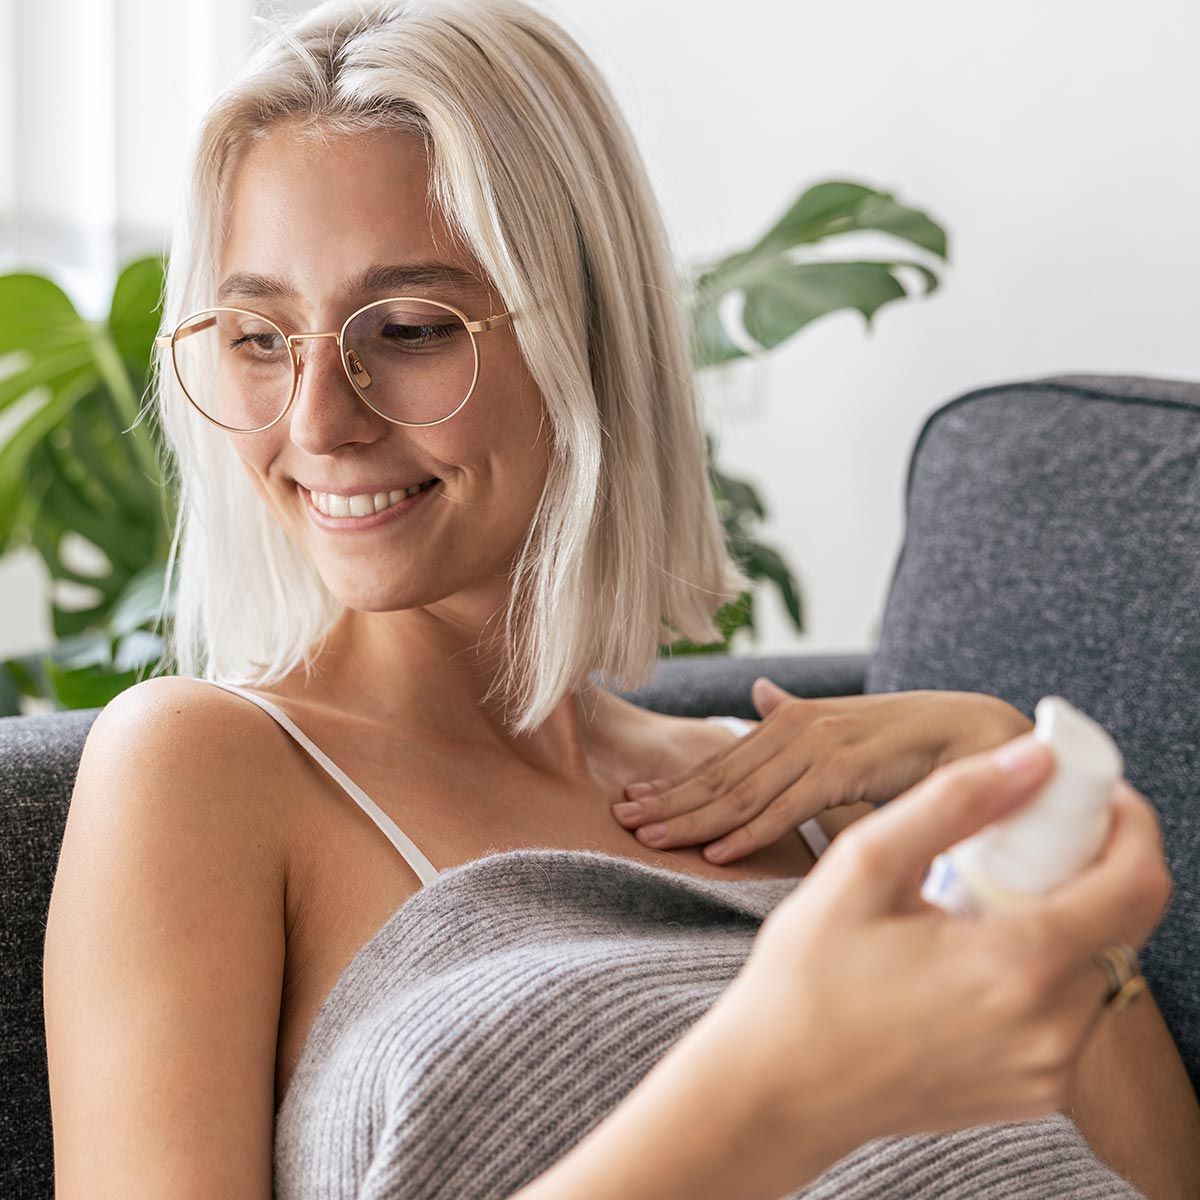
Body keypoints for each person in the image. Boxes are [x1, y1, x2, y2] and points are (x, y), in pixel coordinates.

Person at [41, 1, 1200, 1197]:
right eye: (256, 336)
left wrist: (1015, 809)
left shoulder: (812, 805)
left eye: (413, 329)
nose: (319, 422)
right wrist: (774, 1087)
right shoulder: (208, 769)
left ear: (588, 336)